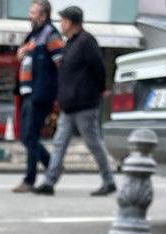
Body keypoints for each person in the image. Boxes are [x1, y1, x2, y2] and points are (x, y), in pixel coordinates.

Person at [33, 6, 116, 196]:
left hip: (85, 104)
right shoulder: (71, 43)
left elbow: (99, 68)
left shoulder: (86, 41)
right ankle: (49, 181)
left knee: (93, 143)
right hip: (69, 105)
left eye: (62, 20)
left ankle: (109, 181)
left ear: (70, 22)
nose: (60, 24)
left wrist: (101, 89)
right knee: (59, 143)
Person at [12, 0, 64, 194]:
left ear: (43, 16)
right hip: (28, 93)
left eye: (33, 12)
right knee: (25, 136)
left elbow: (61, 64)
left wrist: (57, 93)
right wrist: (21, 54)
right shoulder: (34, 35)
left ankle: (29, 179)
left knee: (31, 136)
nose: (29, 16)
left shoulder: (50, 35)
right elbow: (27, 57)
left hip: (40, 94)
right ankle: (52, 165)